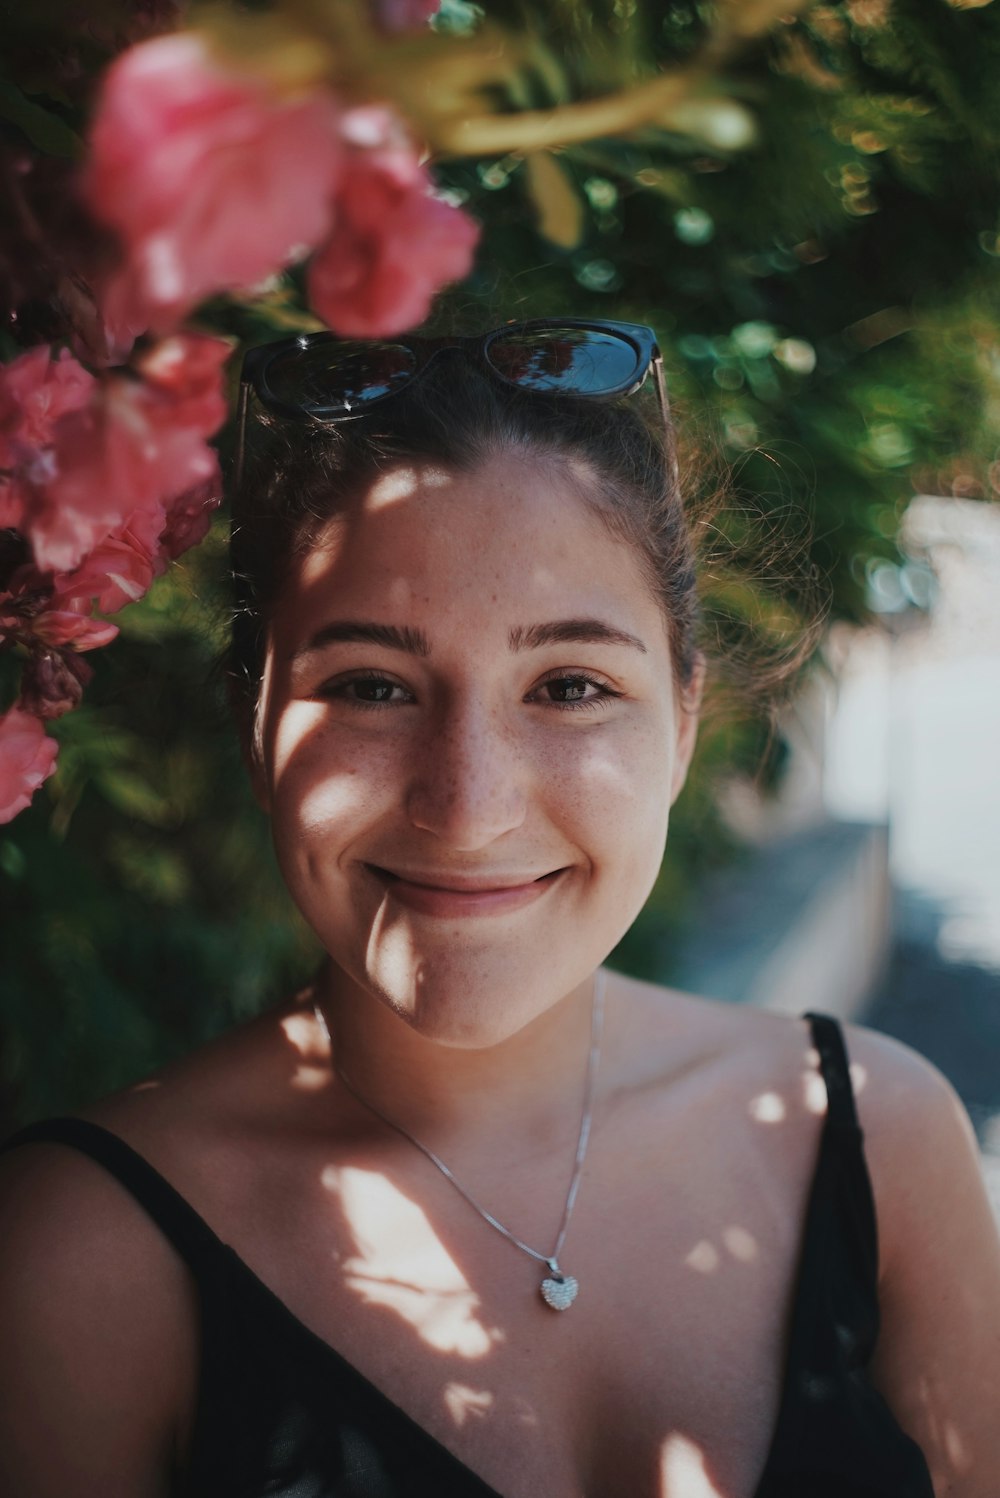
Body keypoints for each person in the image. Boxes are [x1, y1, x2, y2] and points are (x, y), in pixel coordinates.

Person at [1, 320, 998, 1498]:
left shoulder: (883, 1142)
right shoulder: (80, 1262)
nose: (466, 808)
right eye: (371, 685)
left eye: (570, 686)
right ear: (255, 723)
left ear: (681, 724)